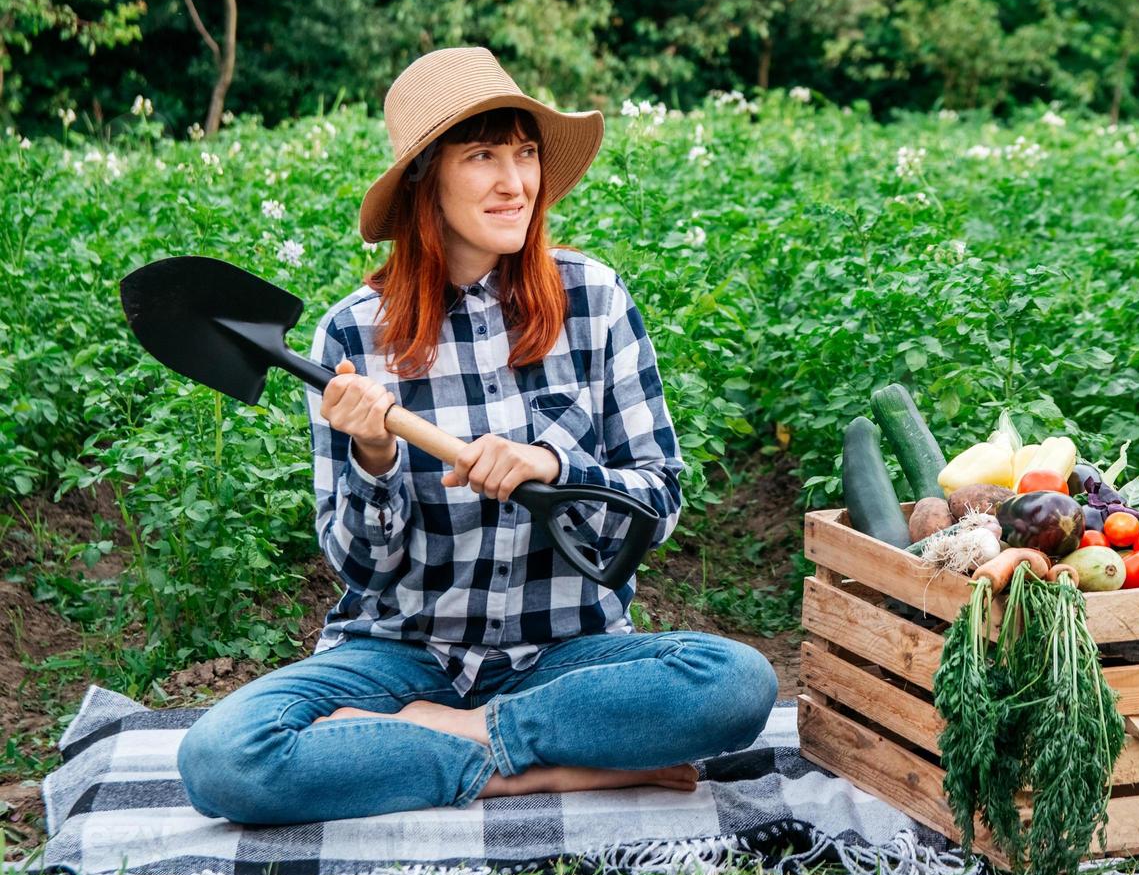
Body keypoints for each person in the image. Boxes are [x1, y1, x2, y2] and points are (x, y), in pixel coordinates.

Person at [176, 46, 778, 826]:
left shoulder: (593, 300)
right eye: (483, 155)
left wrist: (555, 464)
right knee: (221, 758)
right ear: (426, 175)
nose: (515, 182)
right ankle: (538, 772)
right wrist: (375, 456)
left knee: (738, 681)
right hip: (400, 659)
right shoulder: (352, 337)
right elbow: (358, 568)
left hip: (566, 655)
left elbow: (659, 496)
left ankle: (457, 739)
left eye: (525, 154)